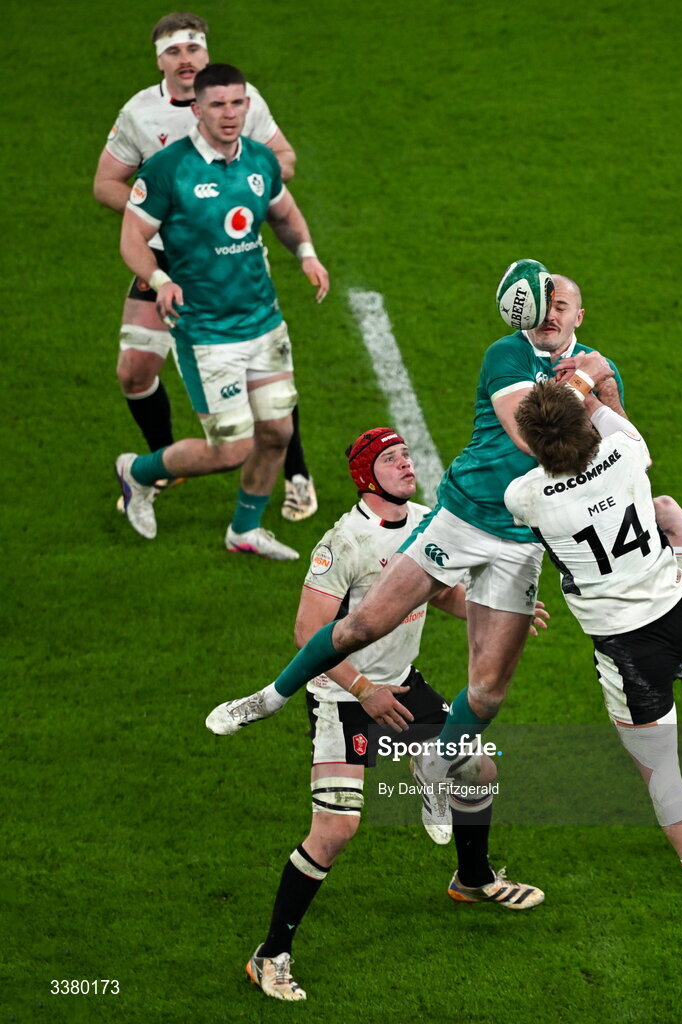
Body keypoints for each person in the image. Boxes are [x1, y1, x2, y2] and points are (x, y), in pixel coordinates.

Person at [205, 273, 619, 837]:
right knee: (364, 624)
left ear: (579, 316)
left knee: (488, 693)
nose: (549, 313)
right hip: (462, 516)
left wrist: (603, 387)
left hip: (523, 537)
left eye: (561, 305)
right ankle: (270, 696)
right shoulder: (506, 354)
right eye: (542, 304)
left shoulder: (597, 365)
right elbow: (531, 438)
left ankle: (435, 760)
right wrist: (583, 386)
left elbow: (620, 443)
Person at [237, 428, 544, 1001]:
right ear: (364, 475)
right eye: (392, 458)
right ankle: (270, 955)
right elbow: (309, 633)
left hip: (403, 689)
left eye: (406, 455)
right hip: (343, 700)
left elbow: (440, 590)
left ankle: (472, 879)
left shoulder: (430, 519)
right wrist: (362, 688)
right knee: (335, 830)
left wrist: (498, 607)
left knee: (478, 769)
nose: (407, 463)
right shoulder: (342, 542)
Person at [502, 376, 682, 960]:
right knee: (668, 510)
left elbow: (530, 472)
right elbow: (610, 418)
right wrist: (586, 383)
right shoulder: (622, 452)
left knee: (662, 776)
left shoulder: (527, 496)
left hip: (631, 656)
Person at [94, 12, 318, 523]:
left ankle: (297, 474)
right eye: (174, 52)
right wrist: (168, 207)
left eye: (194, 49)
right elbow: (104, 183)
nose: (187, 59)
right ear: (160, 61)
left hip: (228, 261)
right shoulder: (139, 114)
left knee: (263, 358)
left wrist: (242, 183)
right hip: (167, 261)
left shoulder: (239, 98)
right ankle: (161, 464)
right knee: (133, 371)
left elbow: (284, 158)